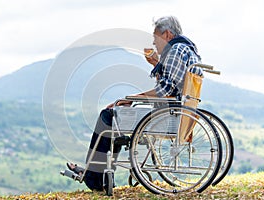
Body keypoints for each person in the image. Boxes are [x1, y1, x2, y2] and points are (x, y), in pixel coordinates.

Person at [66, 15, 202, 191]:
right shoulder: (187, 50)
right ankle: (99, 175)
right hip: (173, 112)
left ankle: (94, 178)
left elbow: (165, 91)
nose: (154, 44)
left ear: (167, 35)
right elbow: (172, 85)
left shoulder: (175, 51)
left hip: (167, 116)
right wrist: (156, 63)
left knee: (108, 116)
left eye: (156, 38)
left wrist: (131, 98)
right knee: (115, 119)